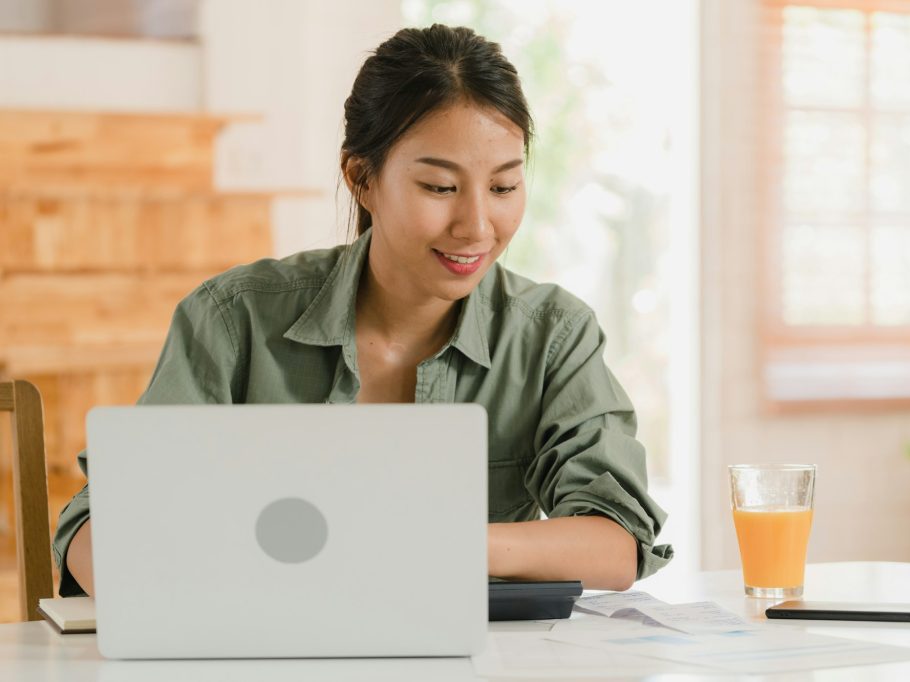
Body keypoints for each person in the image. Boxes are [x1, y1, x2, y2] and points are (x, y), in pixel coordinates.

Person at [52, 24, 673, 597]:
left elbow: (615, 543)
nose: (477, 225)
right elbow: (97, 524)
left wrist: (435, 544)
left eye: (505, 186)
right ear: (361, 179)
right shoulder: (231, 320)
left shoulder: (550, 334)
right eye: (439, 187)